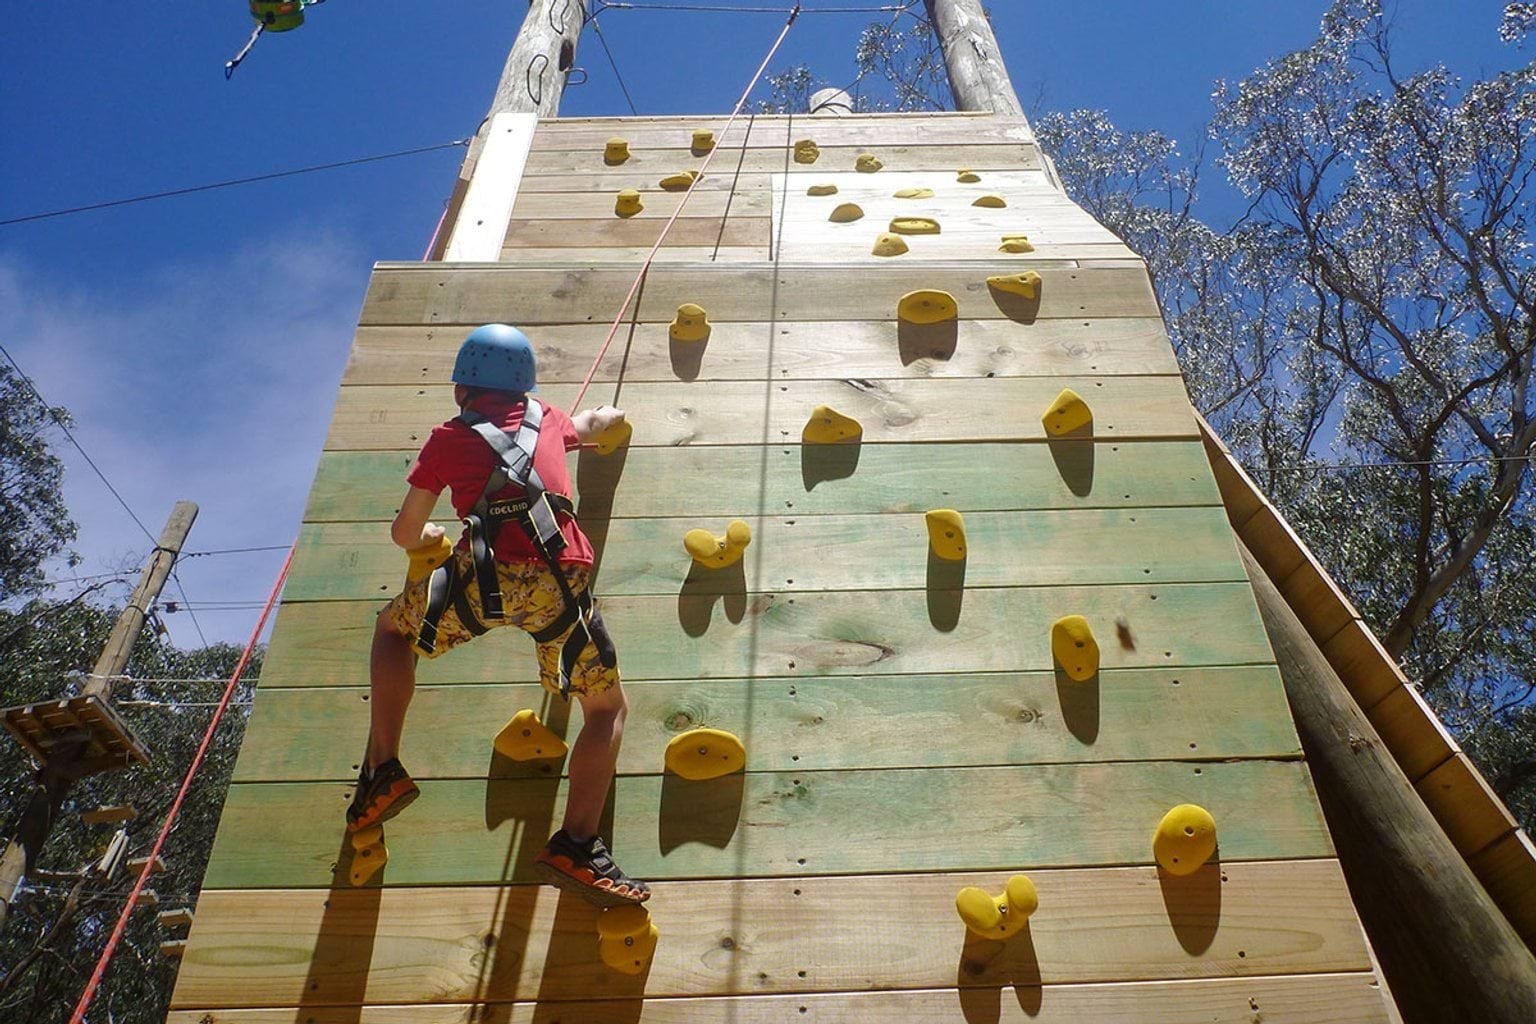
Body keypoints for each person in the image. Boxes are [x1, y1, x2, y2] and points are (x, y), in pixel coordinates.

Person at [346, 323, 649, 907]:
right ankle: (578, 844)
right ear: (523, 389)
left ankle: (382, 768)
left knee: (392, 630)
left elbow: (405, 532)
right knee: (606, 709)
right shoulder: (551, 419)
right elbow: (589, 425)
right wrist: (609, 417)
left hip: (483, 581)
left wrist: (425, 535)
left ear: (463, 390)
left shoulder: (446, 438)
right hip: (559, 586)